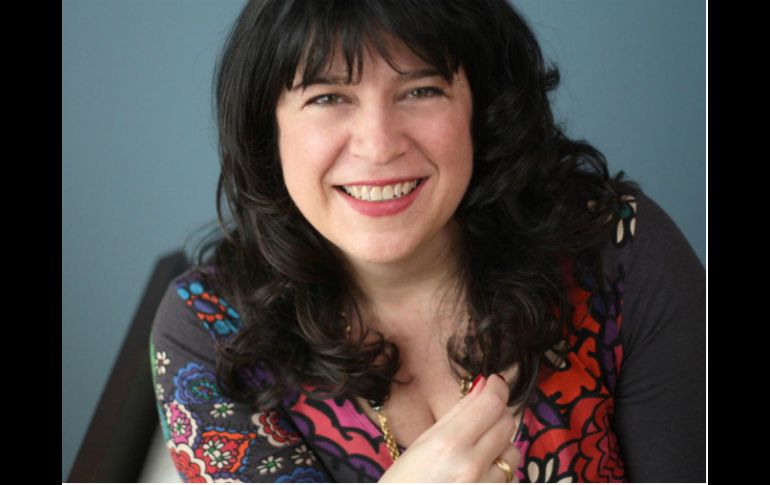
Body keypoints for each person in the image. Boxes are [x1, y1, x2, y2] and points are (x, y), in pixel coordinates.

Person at [149, 0, 706, 482]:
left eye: (420, 90)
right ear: (267, 128)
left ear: (482, 111)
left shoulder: (618, 253)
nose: (378, 145)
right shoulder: (211, 331)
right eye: (328, 97)